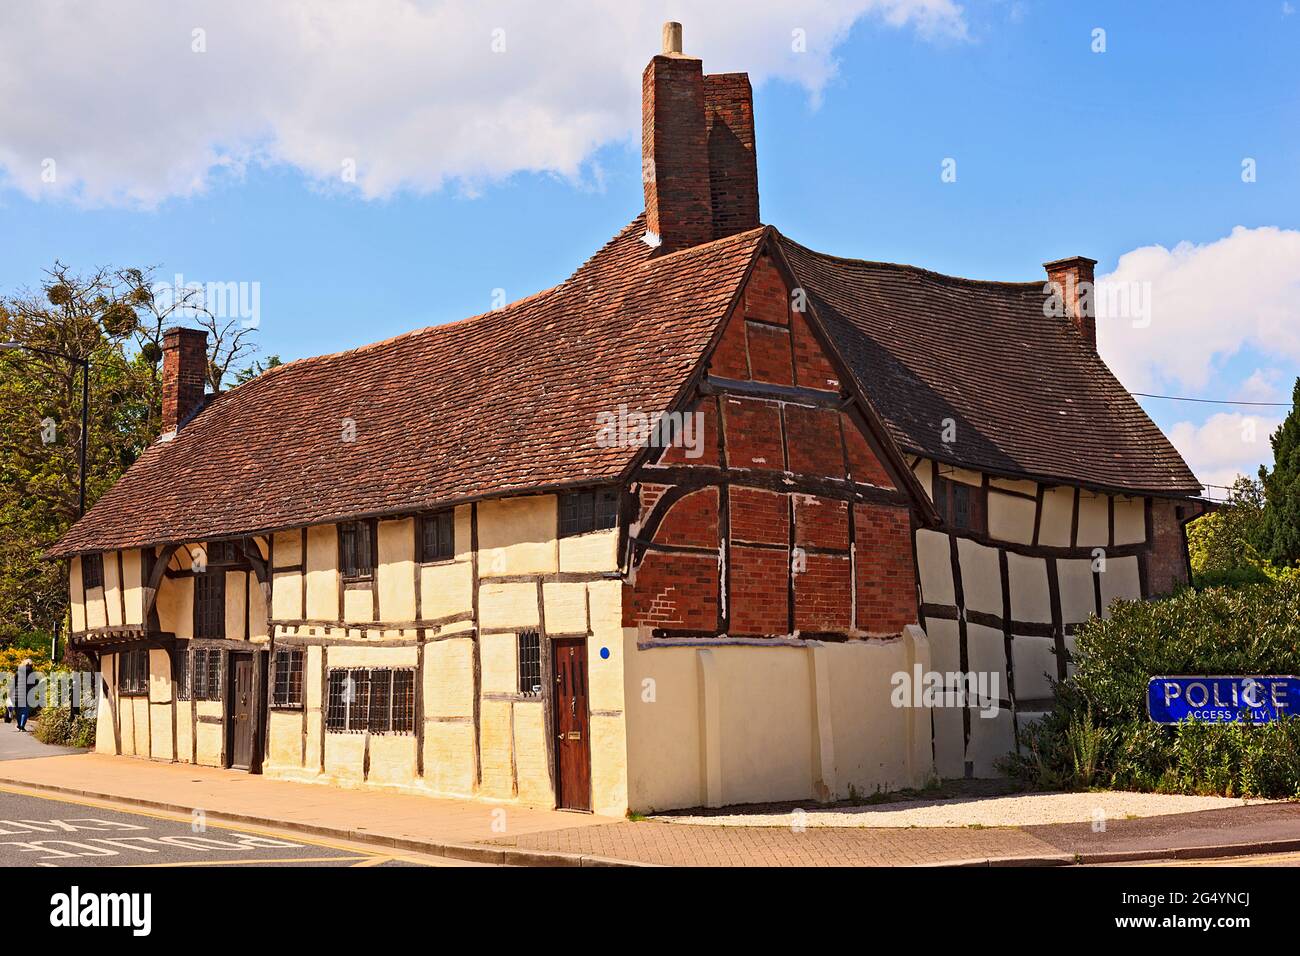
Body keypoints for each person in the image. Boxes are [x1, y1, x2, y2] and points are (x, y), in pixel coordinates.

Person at [15, 658, 33, 732]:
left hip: (17, 693)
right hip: (27, 694)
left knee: (18, 711)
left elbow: (14, 683)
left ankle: (19, 725)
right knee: (25, 710)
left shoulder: (18, 672)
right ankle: (22, 726)